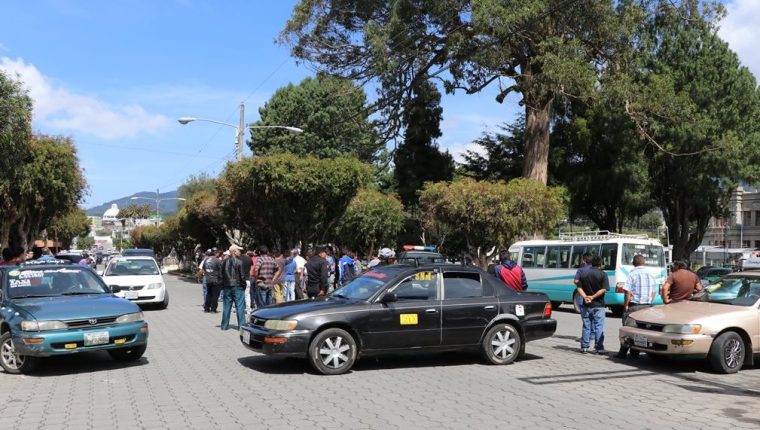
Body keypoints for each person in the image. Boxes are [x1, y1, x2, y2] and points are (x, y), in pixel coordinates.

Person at [617, 254, 657, 358]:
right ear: (644, 262)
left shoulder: (632, 274)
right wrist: (649, 301)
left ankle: (623, 353)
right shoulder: (651, 274)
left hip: (634, 306)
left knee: (628, 329)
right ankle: (635, 352)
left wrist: (625, 305)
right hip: (647, 306)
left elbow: (627, 292)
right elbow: (654, 291)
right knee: (642, 330)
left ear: (633, 263)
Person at [577, 255, 610, 354]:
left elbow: (578, 287)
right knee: (598, 326)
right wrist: (593, 297)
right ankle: (599, 348)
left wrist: (585, 297)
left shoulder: (584, 273)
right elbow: (604, 289)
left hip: (586, 305)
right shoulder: (603, 274)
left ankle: (584, 347)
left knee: (586, 325)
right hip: (598, 305)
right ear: (601, 263)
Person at [220, 245, 247, 330]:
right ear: (234, 251)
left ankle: (224, 326)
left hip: (227, 286)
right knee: (240, 306)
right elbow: (242, 276)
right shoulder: (239, 262)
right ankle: (242, 326)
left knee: (226, 306)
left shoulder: (224, 262)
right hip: (237, 286)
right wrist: (244, 285)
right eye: (238, 250)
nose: (240, 252)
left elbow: (221, 275)